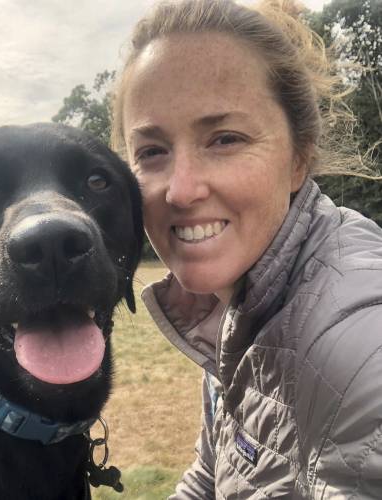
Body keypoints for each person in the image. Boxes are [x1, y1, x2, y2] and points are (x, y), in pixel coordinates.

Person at [110, 0, 382, 498]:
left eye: (225, 139)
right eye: (151, 152)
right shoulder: (236, 305)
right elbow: (210, 475)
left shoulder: (358, 354)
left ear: (298, 158)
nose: (181, 190)